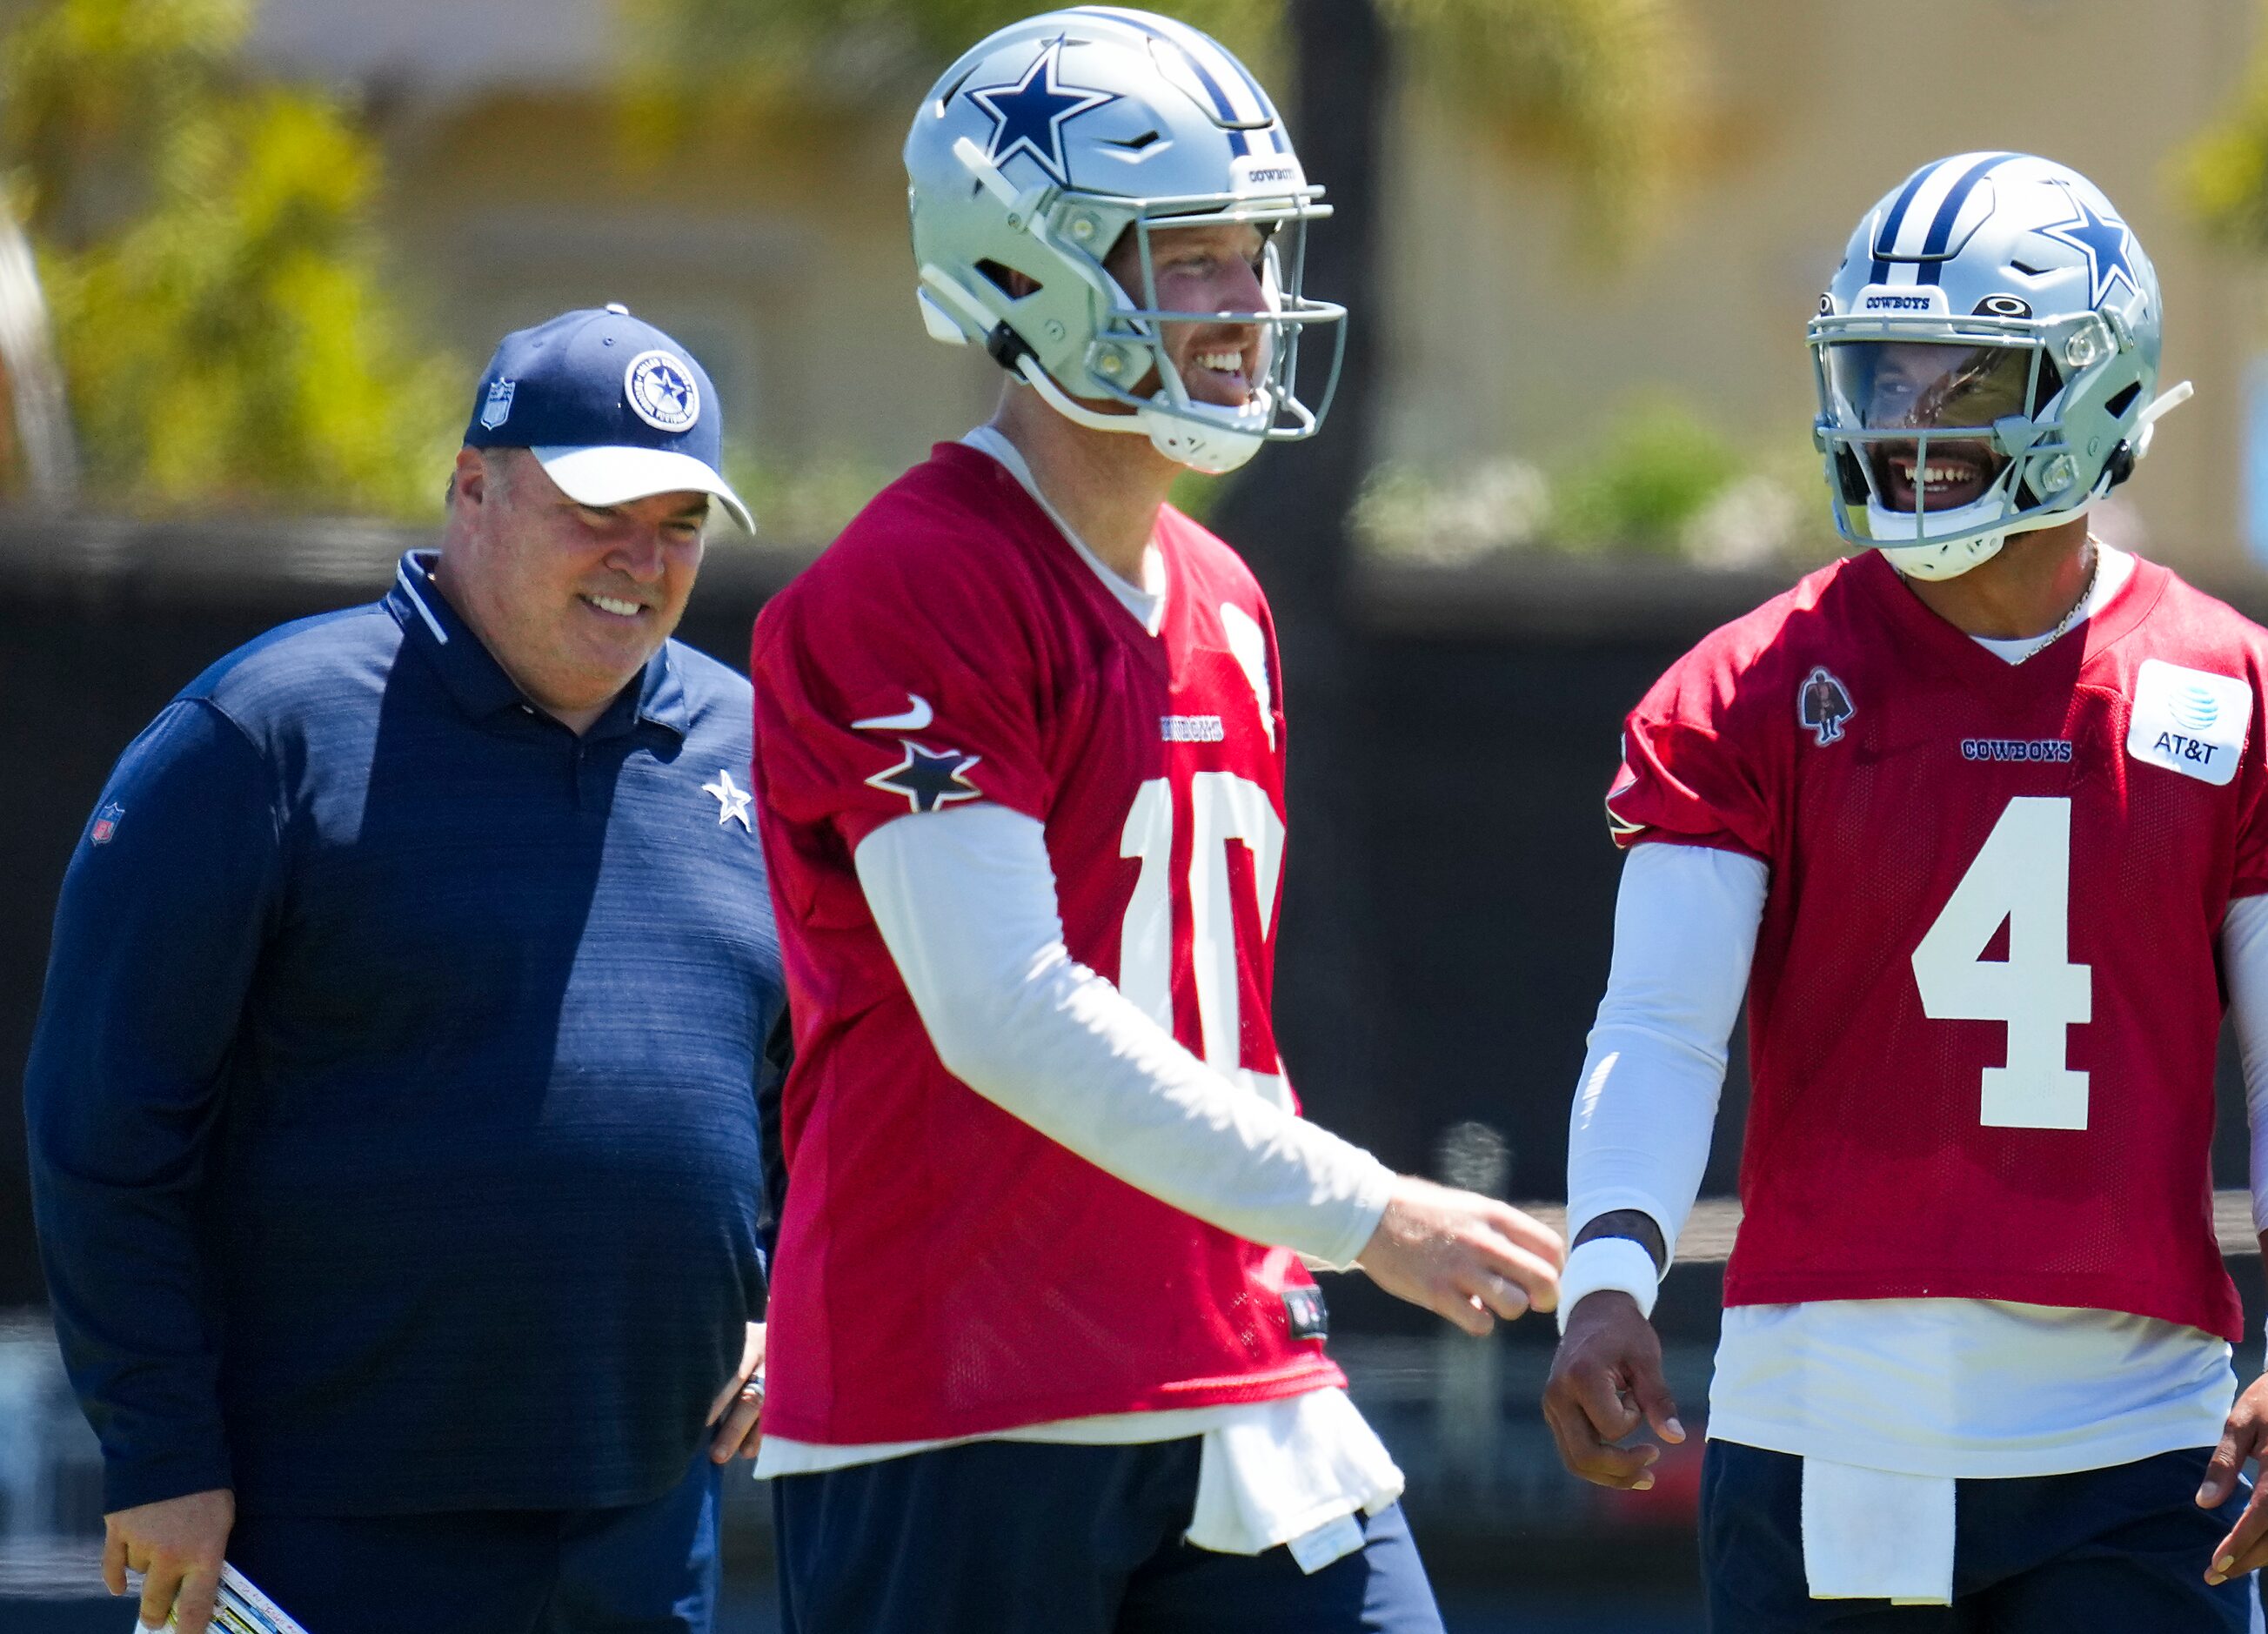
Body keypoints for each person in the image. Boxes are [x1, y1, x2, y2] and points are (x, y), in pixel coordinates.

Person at [747, 10, 1564, 1631]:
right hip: (964, 1394)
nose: (1248, 308)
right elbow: (1004, 1012)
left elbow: (1213, 1023)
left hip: (1234, 1361)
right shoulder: (920, 585)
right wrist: (1368, 1209)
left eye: (1254, 255)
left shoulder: (1229, 596)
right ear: (1024, 266)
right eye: (1191, 258)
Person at [1542, 152, 2268, 1629]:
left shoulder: (2248, 698)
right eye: (1881, 372)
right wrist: (1605, 1274)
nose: (1904, 424)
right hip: (1827, 1426)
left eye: (1960, 379)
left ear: (2093, 388)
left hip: (2141, 1450)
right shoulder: (1747, 689)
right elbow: (1660, 1027)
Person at [25, 305, 783, 1634]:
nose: (641, 559)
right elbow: (102, 1128)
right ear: (472, 488)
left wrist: (798, 1291)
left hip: (649, 1528)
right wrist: (162, 1453)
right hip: (313, 1528)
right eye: (597, 508)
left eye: (679, 521)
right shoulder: (263, 736)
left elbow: (839, 1076)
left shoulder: (757, 748)